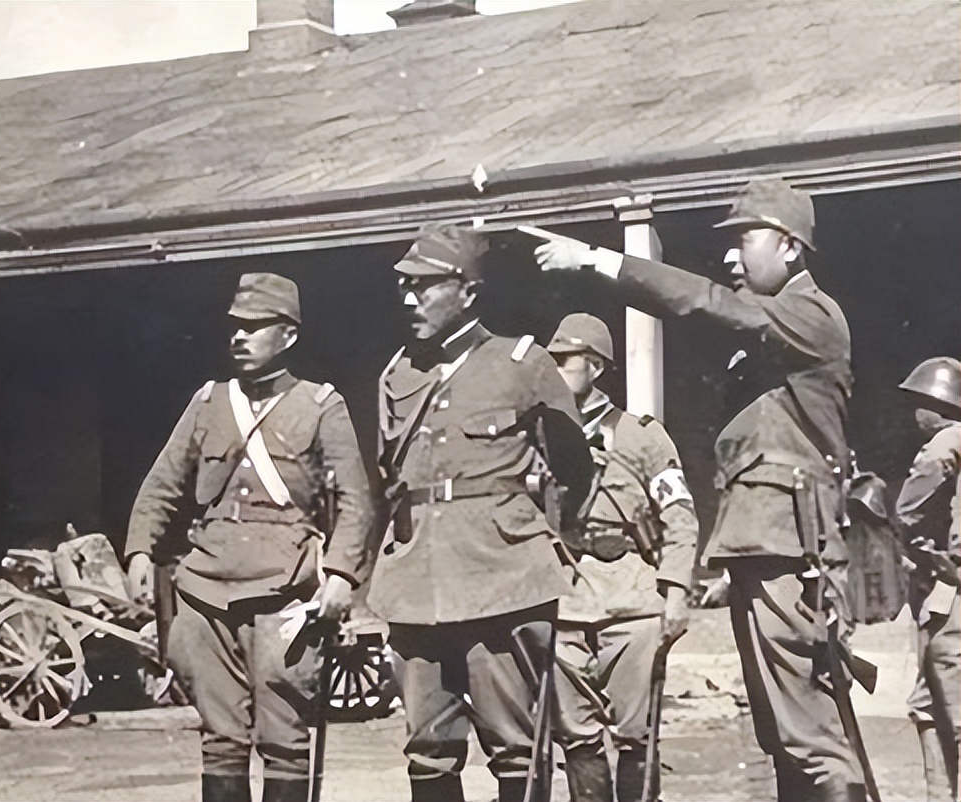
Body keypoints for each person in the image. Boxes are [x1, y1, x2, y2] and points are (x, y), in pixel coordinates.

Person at [535, 178, 866, 801]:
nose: (730, 257)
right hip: (765, 549)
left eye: (745, 240)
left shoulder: (811, 314)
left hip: (789, 550)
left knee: (808, 738)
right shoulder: (776, 338)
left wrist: (601, 260)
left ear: (791, 248)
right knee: (781, 732)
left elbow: (706, 302)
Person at [124, 273, 373, 802]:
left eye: (255, 327)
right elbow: (163, 480)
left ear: (289, 334)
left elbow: (356, 500)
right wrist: (141, 547)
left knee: (284, 736)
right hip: (207, 587)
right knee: (220, 738)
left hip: (284, 591)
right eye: (235, 326)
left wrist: (342, 574)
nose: (239, 336)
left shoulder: (321, 404)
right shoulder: (210, 401)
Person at [366, 222, 592, 802]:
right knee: (428, 747)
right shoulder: (398, 374)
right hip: (417, 583)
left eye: (427, 286)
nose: (411, 299)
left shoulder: (522, 363)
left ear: (467, 291)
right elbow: (390, 476)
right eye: (404, 287)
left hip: (501, 581)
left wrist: (539, 545)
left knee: (515, 743)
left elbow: (574, 467)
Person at [545, 313, 699, 802]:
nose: (553, 371)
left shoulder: (641, 436)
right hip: (564, 600)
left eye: (563, 361)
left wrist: (676, 592)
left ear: (594, 365)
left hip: (632, 601)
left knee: (637, 735)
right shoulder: (538, 437)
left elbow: (679, 515)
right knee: (574, 735)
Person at [895, 356, 961, 802]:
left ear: (934, 403)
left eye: (915, 402)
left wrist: (919, 545)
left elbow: (907, 510)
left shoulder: (948, 439)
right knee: (931, 704)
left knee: (950, 707)